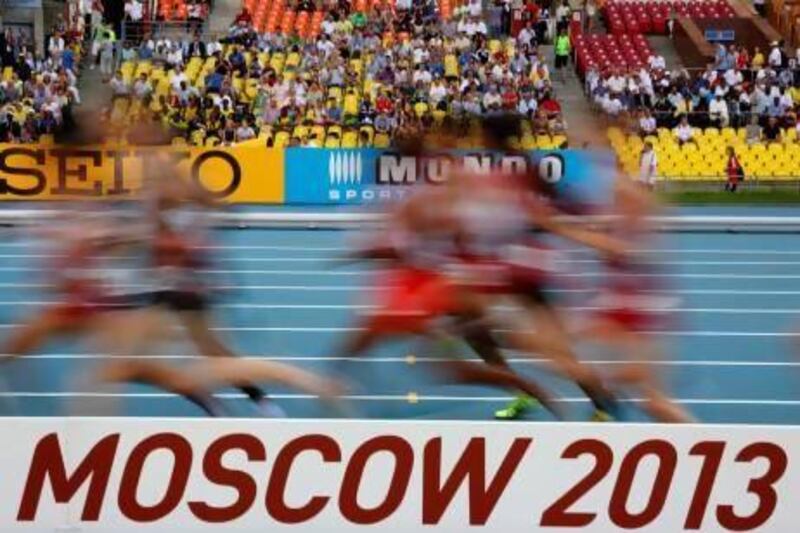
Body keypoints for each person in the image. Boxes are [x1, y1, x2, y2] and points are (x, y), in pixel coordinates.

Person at [579, 179, 694, 423]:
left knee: (653, 399)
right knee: (649, 397)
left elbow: (615, 250)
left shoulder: (643, 233)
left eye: (624, 201)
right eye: (617, 201)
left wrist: (560, 228)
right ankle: (606, 402)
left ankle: (706, 442)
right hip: (634, 318)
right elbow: (606, 253)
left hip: (648, 322)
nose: (617, 206)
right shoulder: (621, 226)